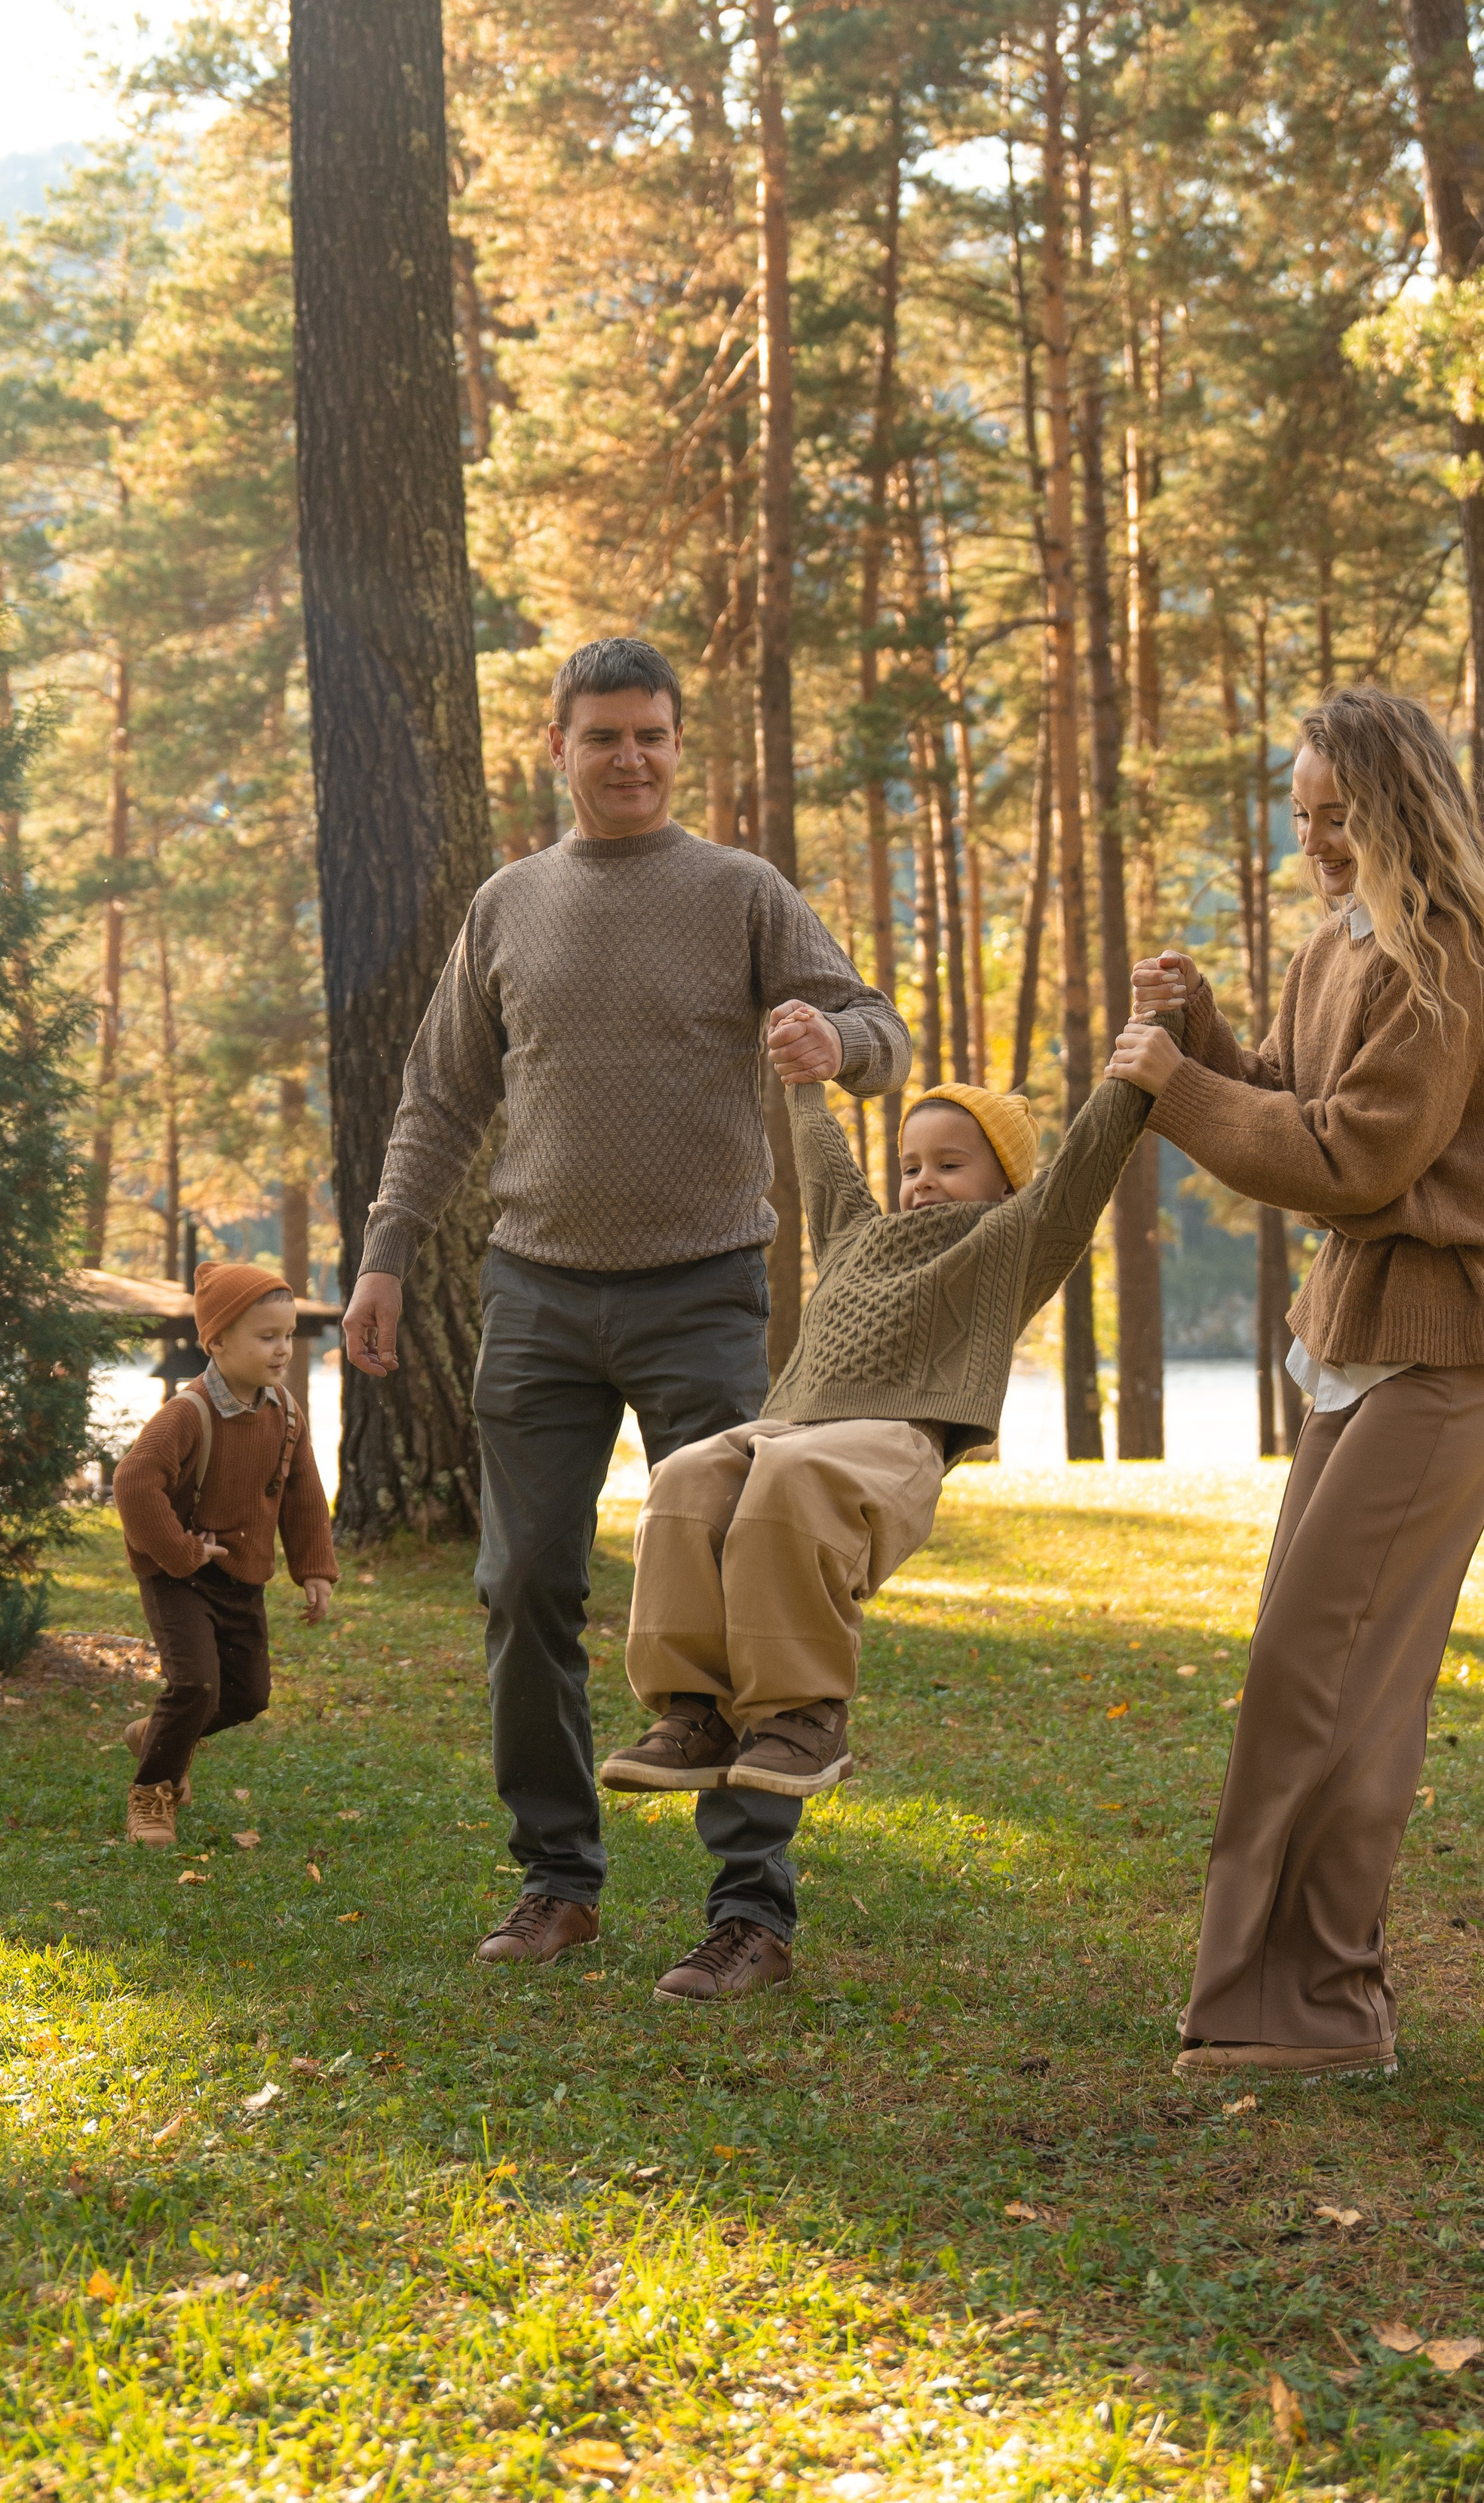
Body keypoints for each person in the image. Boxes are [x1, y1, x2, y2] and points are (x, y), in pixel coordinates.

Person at [342, 637, 910, 1979]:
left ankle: (749, 1910)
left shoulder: (740, 893)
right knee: (522, 1582)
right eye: (603, 736)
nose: (632, 758)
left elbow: (876, 1025)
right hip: (535, 1295)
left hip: (705, 1290)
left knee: (742, 1587)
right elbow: (437, 1099)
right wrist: (383, 1253)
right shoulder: (508, 906)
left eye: (652, 734)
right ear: (560, 750)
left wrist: (838, 1045)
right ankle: (557, 1882)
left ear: (676, 742)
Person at [600, 1006, 1182, 2001]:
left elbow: (1084, 1167)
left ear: (1004, 1180)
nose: (923, 1181)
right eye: (914, 1163)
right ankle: (693, 1710)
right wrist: (802, 1080)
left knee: (790, 1489)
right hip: (793, 1422)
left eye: (951, 1164)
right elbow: (824, 1165)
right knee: (688, 1477)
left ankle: (801, 1713)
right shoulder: (860, 1236)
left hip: (893, 1440)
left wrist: (1133, 1075)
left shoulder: (1014, 1240)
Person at [1131, 685, 1484, 2083]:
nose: (1314, 840)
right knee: (1306, 1669)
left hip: (1446, 1354)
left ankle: (1315, 2006)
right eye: (1301, 816)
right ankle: (1299, 1995)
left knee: (1335, 1676)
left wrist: (1180, 1097)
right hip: (1356, 1348)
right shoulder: (1336, 947)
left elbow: (1352, 1158)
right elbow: (1285, 1094)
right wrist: (1201, 1032)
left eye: (1337, 816)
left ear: (1399, 809)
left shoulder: (1446, 965)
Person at [113, 1260, 336, 1850]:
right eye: (267, 1337)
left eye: (288, 1336)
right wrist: (182, 1553)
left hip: (242, 1577)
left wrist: (314, 1568)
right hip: (179, 1575)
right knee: (194, 1687)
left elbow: (303, 1493)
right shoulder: (188, 1414)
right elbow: (135, 1484)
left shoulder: (284, 1412)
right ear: (217, 1341)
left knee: (247, 1694)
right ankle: (152, 1795)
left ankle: (162, 1733)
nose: (283, 1349)